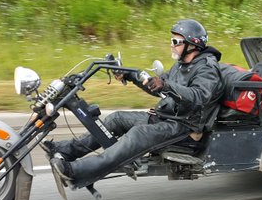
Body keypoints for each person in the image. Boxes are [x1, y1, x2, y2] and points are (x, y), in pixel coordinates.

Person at [48, 19, 224, 188]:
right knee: (116, 119)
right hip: (167, 118)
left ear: (192, 44)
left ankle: (75, 171)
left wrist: (167, 85)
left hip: (185, 127)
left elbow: (199, 96)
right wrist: (130, 75)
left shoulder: (207, 68)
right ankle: (66, 150)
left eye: (176, 41)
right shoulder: (182, 65)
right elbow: (159, 85)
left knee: (137, 135)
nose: (171, 44)